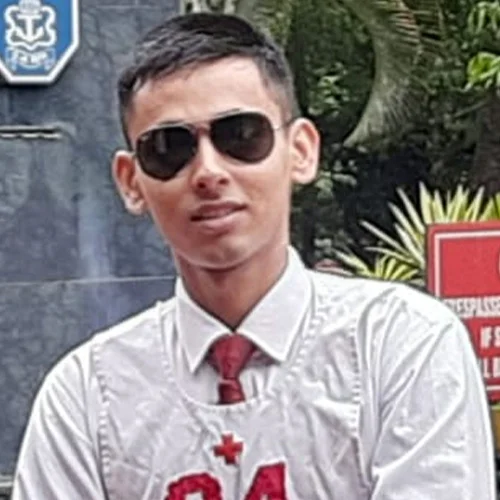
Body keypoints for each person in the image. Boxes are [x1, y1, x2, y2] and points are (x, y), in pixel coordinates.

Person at [11, 12, 497, 500]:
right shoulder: (87, 399)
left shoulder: (400, 347)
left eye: (241, 135)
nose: (208, 171)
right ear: (131, 181)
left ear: (301, 150)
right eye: (168, 147)